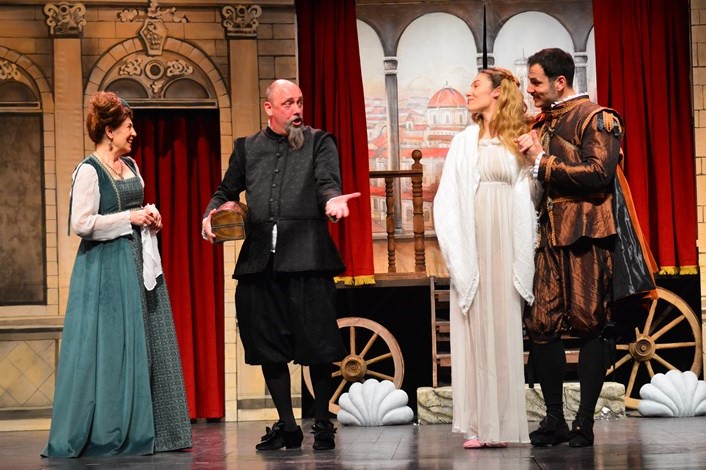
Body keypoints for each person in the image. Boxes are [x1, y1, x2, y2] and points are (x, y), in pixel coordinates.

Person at [202, 79, 360, 451]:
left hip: (307, 257)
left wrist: (332, 202)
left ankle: (323, 423)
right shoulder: (247, 148)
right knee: (266, 346)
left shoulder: (320, 142)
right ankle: (288, 427)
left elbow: (327, 183)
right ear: (269, 108)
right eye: (288, 103)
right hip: (260, 263)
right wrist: (211, 215)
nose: (297, 109)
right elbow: (225, 191)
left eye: (300, 102)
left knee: (318, 345)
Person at [517, 48, 655, 448]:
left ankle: (584, 423)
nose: (531, 89)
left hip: (586, 236)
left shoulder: (598, 118)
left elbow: (599, 173)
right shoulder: (544, 121)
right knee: (541, 326)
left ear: (560, 82)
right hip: (549, 237)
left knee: (589, 324)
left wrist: (542, 161)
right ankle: (554, 419)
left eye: (536, 82)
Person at [43, 91, 193, 457]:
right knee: (113, 347)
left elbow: (135, 211)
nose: (134, 133)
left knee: (151, 340)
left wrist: (150, 217)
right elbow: (81, 224)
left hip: (139, 262)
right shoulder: (89, 170)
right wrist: (130, 217)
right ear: (109, 131)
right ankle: (112, 429)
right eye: (128, 127)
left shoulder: (132, 166)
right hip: (105, 270)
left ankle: (162, 432)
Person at [434, 67, 538, 448]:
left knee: (504, 328)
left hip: (506, 241)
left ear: (497, 93)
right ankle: (479, 424)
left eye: (476, 85)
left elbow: (534, 191)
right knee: (475, 330)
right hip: (474, 241)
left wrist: (534, 159)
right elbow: (447, 197)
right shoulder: (464, 142)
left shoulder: (518, 140)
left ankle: (504, 424)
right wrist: (458, 245)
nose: (468, 91)